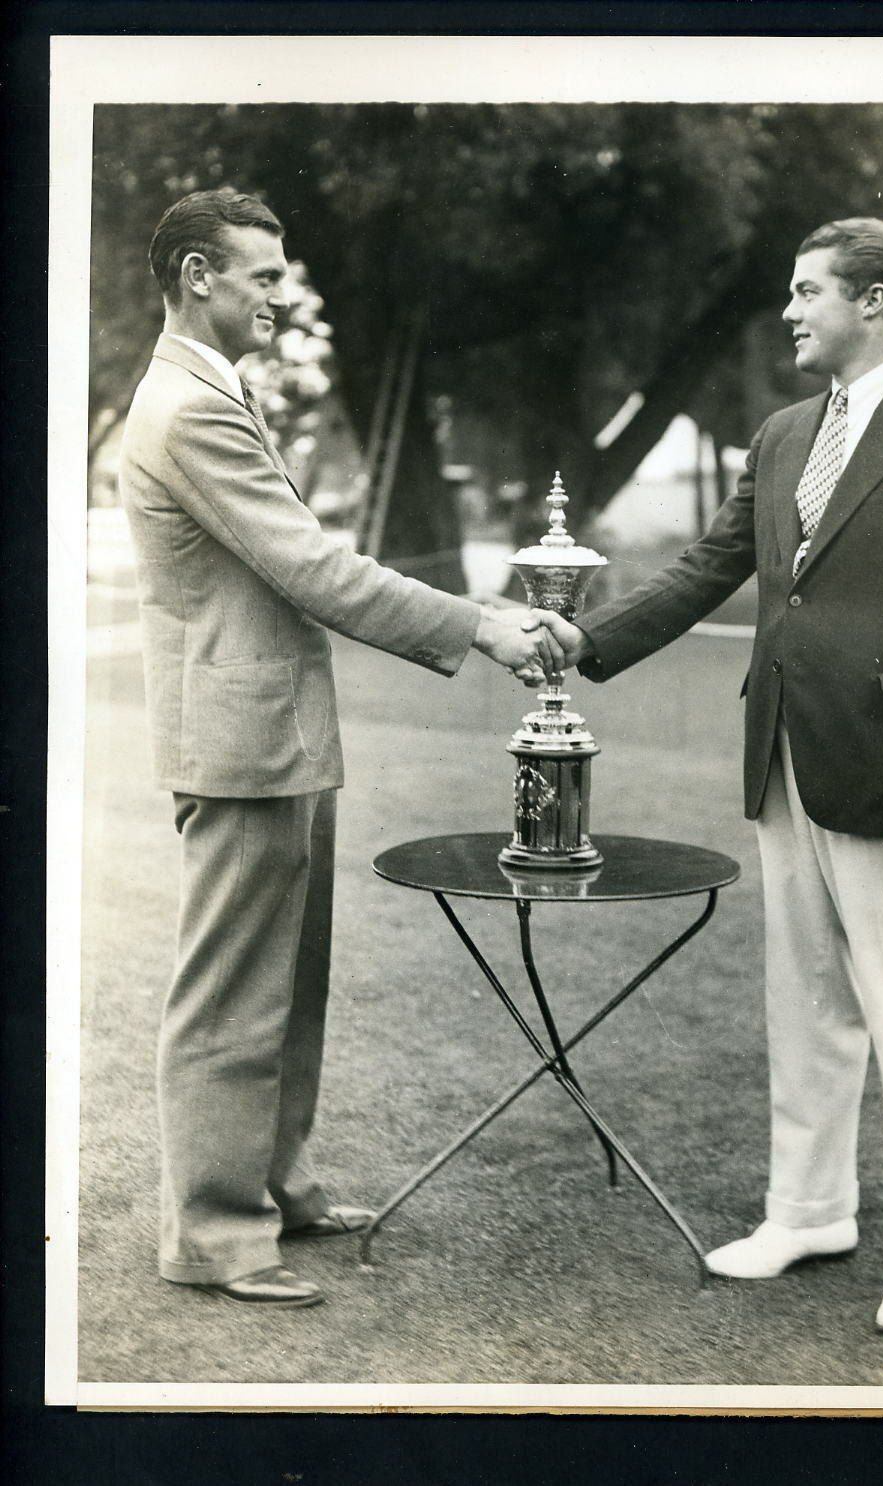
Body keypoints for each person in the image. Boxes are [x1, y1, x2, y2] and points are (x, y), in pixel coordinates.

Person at [545, 218, 883, 1333]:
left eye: (808, 290)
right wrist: (583, 642)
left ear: (871, 300)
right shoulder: (780, 435)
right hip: (780, 756)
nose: (788, 309)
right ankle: (807, 1210)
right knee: (805, 1002)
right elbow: (708, 568)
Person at [119, 187, 563, 1309]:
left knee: (287, 980)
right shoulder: (190, 408)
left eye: (282, 273)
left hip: (269, 730)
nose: (282, 292)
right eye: (262, 275)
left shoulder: (211, 390)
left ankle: (272, 1182)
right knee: (231, 992)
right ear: (194, 279)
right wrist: (476, 623)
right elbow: (312, 568)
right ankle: (215, 1233)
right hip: (240, 740)